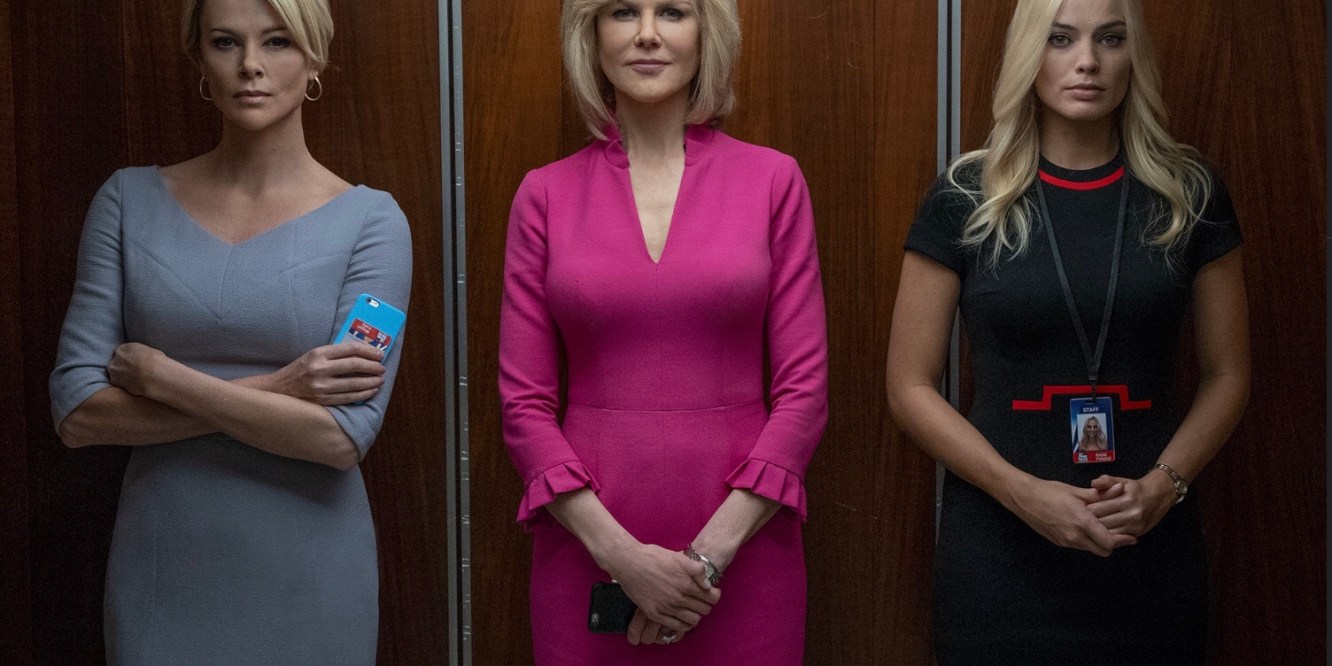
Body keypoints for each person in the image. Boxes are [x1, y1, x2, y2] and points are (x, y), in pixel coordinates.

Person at [885, 0, 1249, 663]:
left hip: (1150, 554)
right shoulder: (964, 197)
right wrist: (1022, 493)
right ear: (1029, 54)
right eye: (1060, 39)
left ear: (1133, 55)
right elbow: (909, 385)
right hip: (999, 556)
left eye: (1110, 39)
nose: (1087, 62)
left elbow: (1228, 374)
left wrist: (1161, 488)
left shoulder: (1188, 194)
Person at [48, 0, 412, 662]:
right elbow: (77, 413)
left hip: (313, 573)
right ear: (199, 60)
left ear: (314, 60)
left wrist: (163, 378)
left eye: (277, 42)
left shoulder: (375, 223)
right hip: (163, 567)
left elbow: (340, 437)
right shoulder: (126, 202)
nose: (249, 65)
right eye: (225, 42)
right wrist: (282, 386)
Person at [498, 0, 828, 663]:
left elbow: (805, 393)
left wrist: (704, 561)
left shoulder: (773, 180)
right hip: (587, 551)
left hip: (744, 554)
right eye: (624, 11)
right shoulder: (544, 194)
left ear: (707, 34)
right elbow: (523, 406)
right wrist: (623, 558)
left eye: (672, 11)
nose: (647, 34)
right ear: (592, 36)